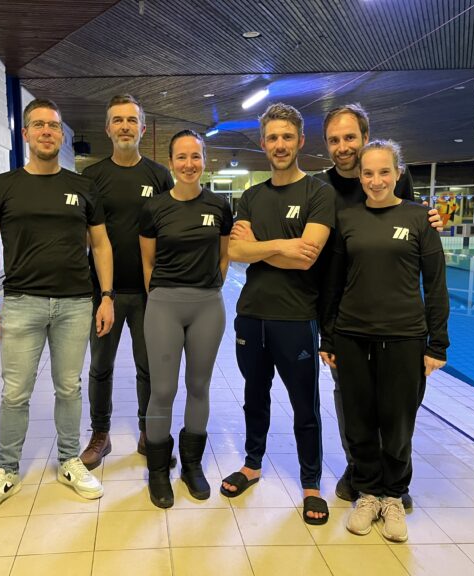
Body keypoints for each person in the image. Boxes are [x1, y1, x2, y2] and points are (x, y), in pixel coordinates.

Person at [0, 99, 115, 518]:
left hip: (75, 303)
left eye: (54, 126)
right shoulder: (2, 185)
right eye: (39, 125)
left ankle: (69, 460)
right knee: (15, 392)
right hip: (21, 302)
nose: (47, 131)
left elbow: (101, 244)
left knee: (69, 387)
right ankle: (7, 470)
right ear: (26, 134)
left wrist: (107, 296)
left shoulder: (83, 186)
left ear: (61, 135)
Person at [319, 140, 450, 542]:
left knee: (398, 422)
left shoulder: (419, 218)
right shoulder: (348, 218)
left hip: (404, 336)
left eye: (383, 172)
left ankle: (393, 496)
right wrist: (328, 336)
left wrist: (437, 344)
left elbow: (436, 284)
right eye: (368, 173)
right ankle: (368, 493)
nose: (376, 181)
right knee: (358, 420)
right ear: (360, 177)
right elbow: (334, 284)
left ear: (398, 173)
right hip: (352, 335)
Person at [223, 103, 335, 525]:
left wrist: (259, 246)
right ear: (263, 143)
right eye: (273, 137)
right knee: (255, 394)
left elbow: (308, 257)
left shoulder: (318, 193)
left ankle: (311, 483)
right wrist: (282, 245)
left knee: (305, 404)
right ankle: (252, 464)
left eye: (287, 136)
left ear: (300, 141)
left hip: (296, 316)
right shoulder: (252, 196)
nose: (280, 144)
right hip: (252, 315)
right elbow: (235, 251)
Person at [79, 95, 175, 470]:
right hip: (104, 294)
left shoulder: (159, 176)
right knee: (100, 367)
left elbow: (171, 230)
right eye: (117, 120)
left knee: (149, 368)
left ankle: (149, 433)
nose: (124, 126)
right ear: (107, 129)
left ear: (143, 128)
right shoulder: (91, 178)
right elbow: (83, 236)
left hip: (150, 293)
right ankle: (100, 435)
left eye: (131, 120)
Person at [138, 129, 232, 508]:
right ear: (171, 162)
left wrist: (208, 288)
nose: (189, 164)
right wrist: (162, 296)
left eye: (196, 156)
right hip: (164, 304)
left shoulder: (220, 206)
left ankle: (191, 465)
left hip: (208, 305)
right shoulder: (155, 208)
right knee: (162, 390)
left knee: (198, 386)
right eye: (182, 157)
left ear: (204, 160)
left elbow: (223, 256)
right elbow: (147, 262)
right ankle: (158, 470)